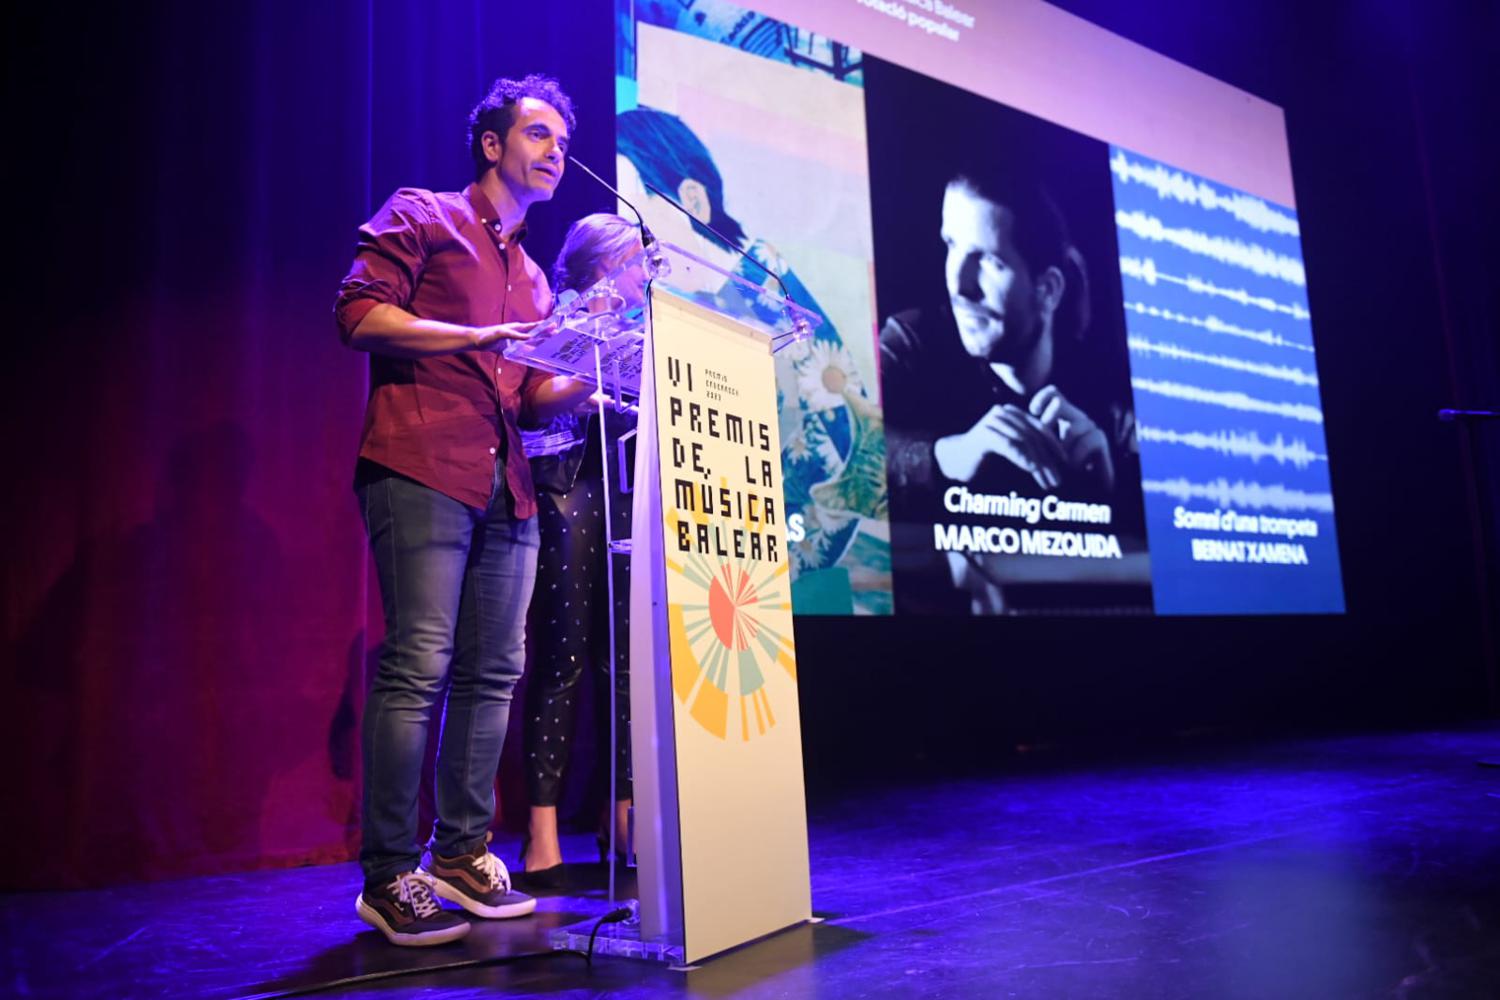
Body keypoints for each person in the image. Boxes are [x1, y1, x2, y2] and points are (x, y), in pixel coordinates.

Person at [333, 73, 592, 947]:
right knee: (419, 665)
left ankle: (460, 853)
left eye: (564, 141)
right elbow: (357, 314)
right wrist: (472, 336)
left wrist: (591, 373)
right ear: (492, 143)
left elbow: (529, 400)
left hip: (505, 485)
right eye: (539, 134)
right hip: (421, 463)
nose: (557, 151)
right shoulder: (426, 214)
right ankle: (388, 875)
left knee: (495, 672)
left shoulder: (534, 279)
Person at [880, 164, 1145, 614]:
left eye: (989, 260)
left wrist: (1110, 490)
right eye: (951, 245)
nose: (958, 284)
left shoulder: (1113, 394)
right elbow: (836, 451)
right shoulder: (911, 342)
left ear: (1048, 290)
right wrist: (944, 457)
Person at [516, 214, 646, 886]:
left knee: (621, 660)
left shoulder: (644, 328)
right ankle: (541, 832)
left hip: (624, 484)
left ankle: (620, 814)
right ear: (605, 266)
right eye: (637, 262)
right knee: (563, 655)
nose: (646, 275)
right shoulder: (557, 313)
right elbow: (534, 403)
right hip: (567, 483)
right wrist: (591, 377)